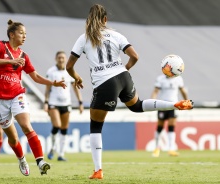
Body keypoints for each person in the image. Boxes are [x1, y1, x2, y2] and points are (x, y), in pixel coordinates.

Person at [66, 4, 193, 180]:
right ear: (105, 20)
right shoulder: (116, 35)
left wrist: (77, 77)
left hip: (104, 82)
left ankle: (98, 170)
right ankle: (174, 104)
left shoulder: (84, 38)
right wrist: (124, 69)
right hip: (123, 77)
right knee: (137, 106)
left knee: (95, 126)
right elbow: (135, 56)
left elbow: (69, 66)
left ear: (88, 19)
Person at [0, 19, 66, 176]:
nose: (24, 36)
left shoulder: (24, 55)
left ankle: (40, 162)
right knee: (13, 138)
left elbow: (35, 77)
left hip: (17, 94)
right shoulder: (0, 46)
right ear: (12, 34)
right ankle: (21, 159)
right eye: (21, 33)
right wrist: (11, 61)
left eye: (26, 33)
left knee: (27, 126)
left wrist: (53, 83)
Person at [44, 51, 84, 161]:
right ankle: (52, 147)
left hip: (66, 103)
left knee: (64, 129)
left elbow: (75, 87)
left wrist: (80, 102)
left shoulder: (69, 71)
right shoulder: (51, 71)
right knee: (57, 125)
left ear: (66, 59)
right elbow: (47, 88)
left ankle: (61, 154)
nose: (61, 59)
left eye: (63, 58)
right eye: (59, 57)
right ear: (56, 58)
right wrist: (46, 103)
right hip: (54, 103)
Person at [151, 74, 188, 157]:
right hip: (162, 105)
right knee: (160, 126)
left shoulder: (178, 79)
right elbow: (155, 91)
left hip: (173, 105)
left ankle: (171, 149)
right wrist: (152, 102)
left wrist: (187, 101)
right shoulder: (160, 78)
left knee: (171, 126)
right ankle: (157, 148)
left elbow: (182, 91)